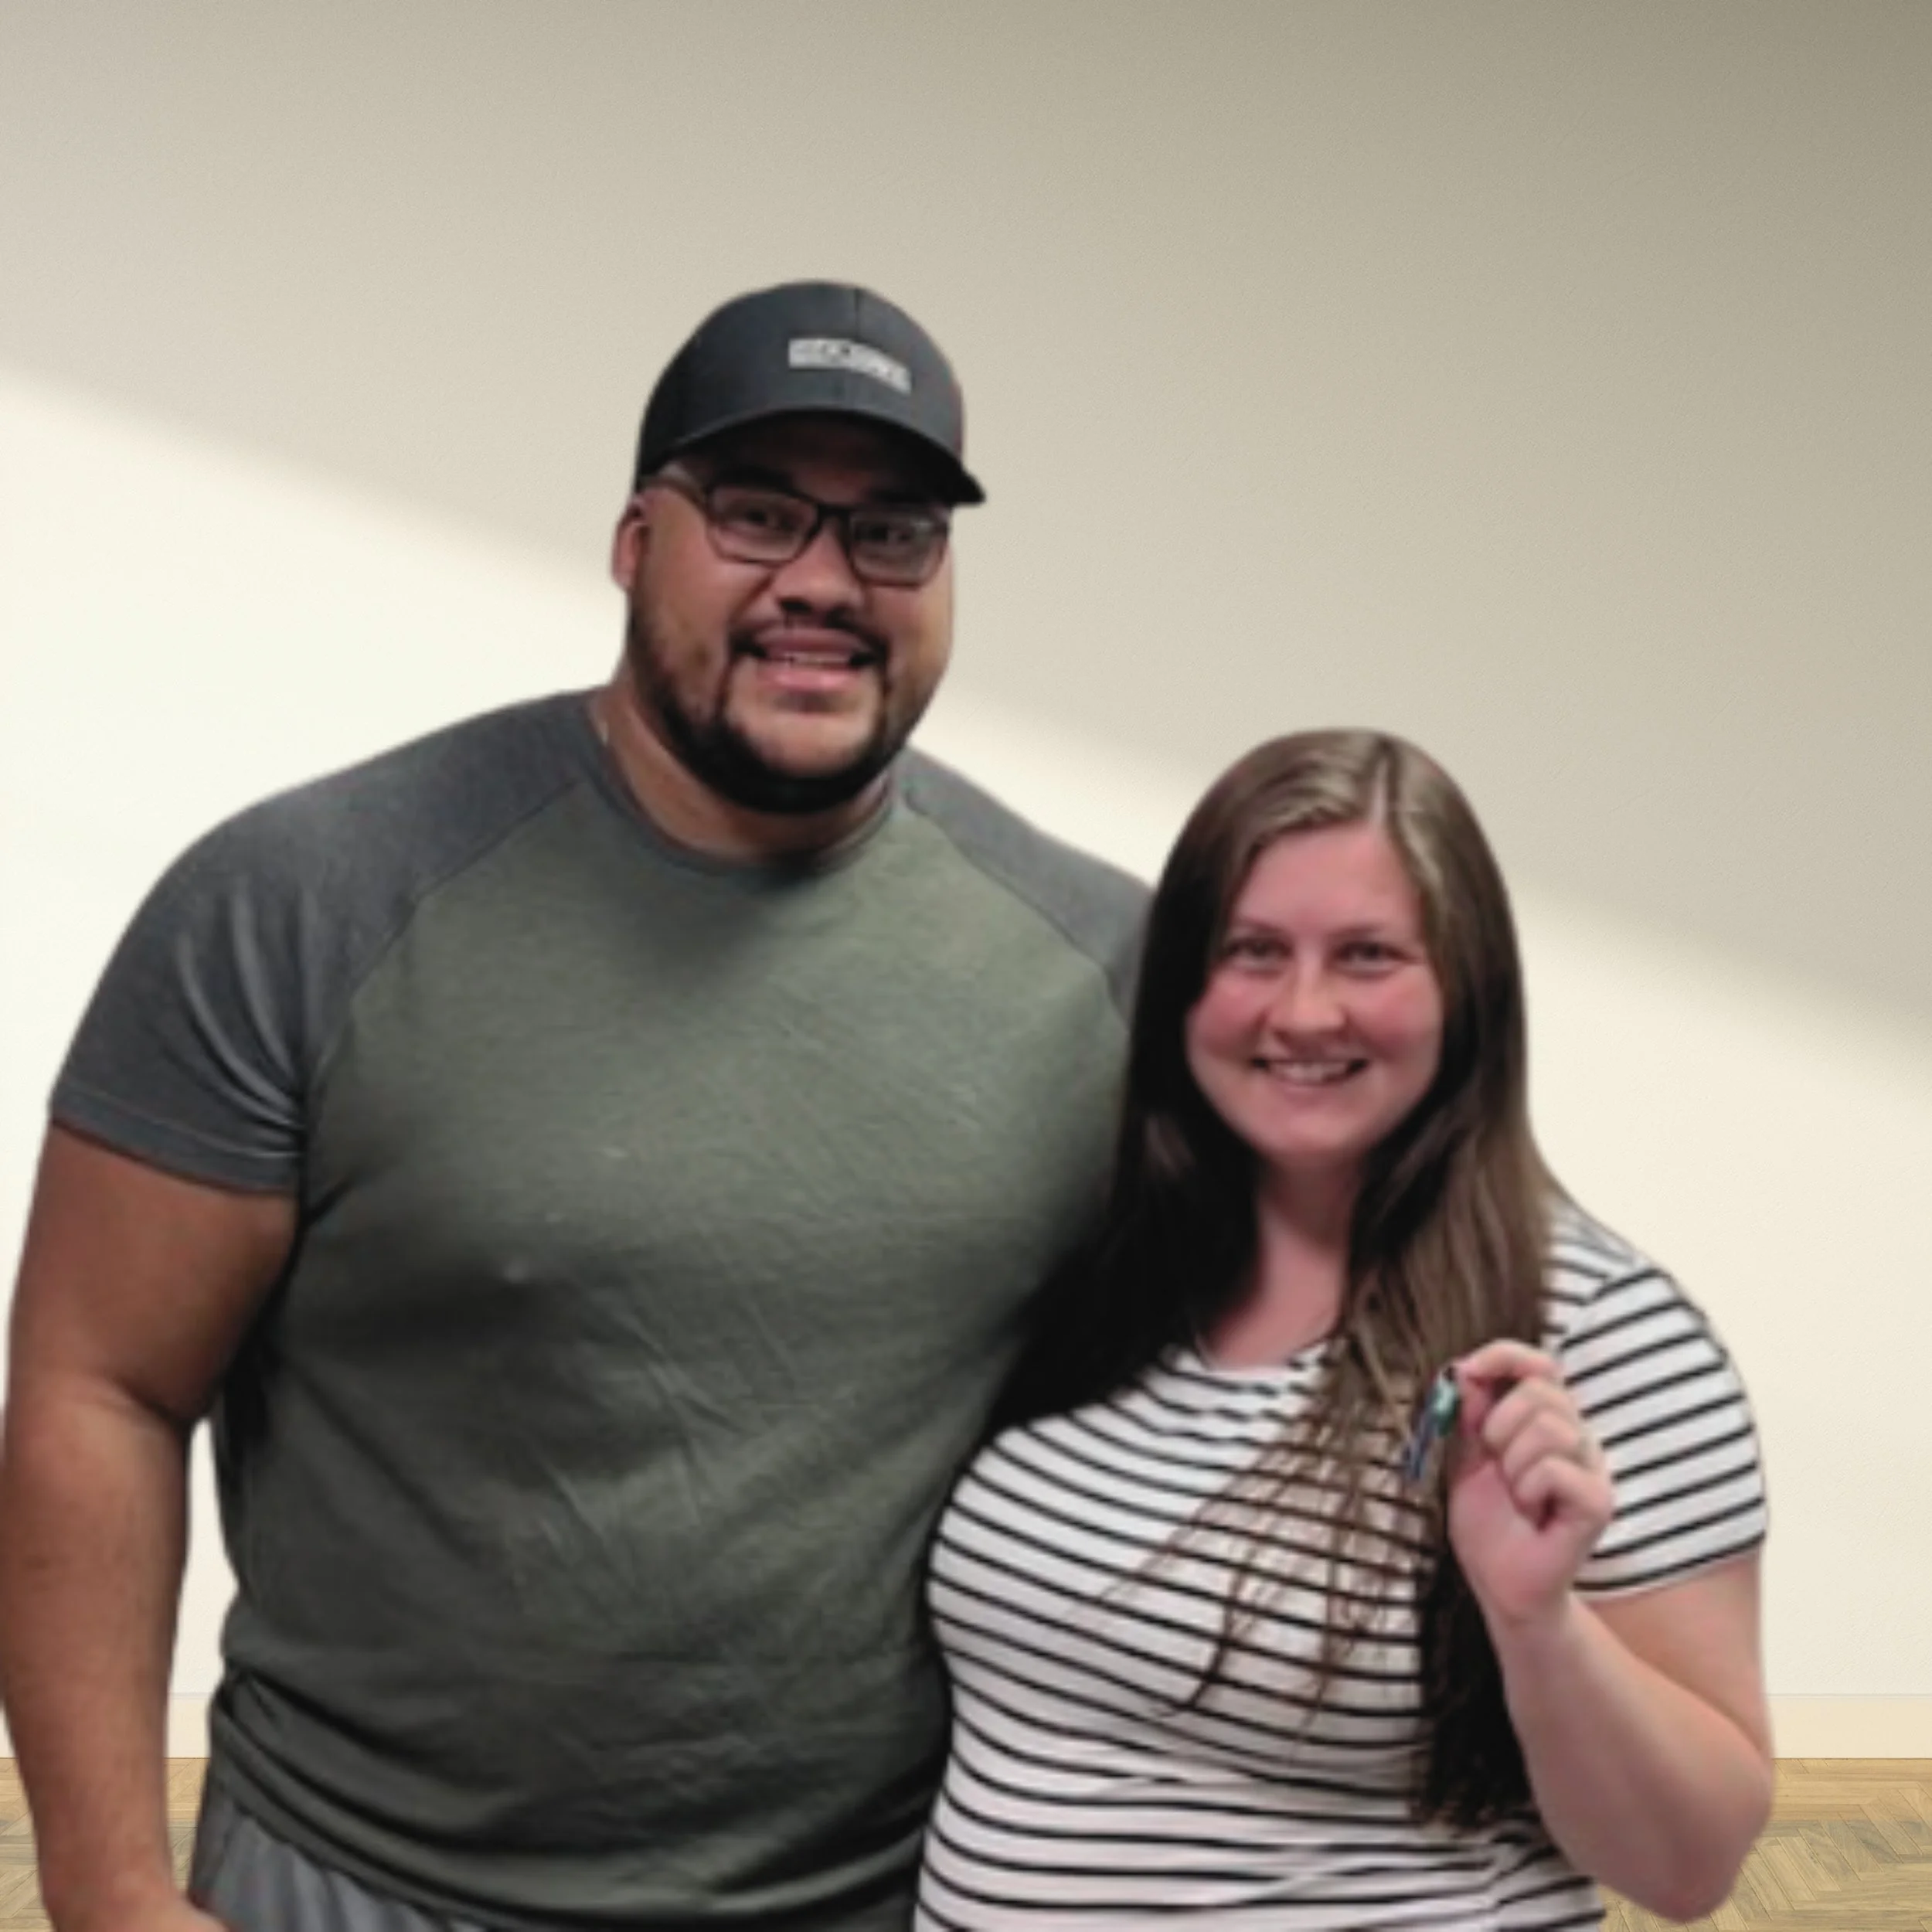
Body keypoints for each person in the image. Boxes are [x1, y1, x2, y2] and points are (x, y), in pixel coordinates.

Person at [0, 281, 1145, 1932]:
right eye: (755, 513)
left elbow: (1380, 1270)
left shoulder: (1104, 965)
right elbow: (97, 1388)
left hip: (879, 1900)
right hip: (350, 1884)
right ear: (631, 542)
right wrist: (110, 1888)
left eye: (890, 531)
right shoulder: (300, 901)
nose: (821, 580)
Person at [917, 730, 1772, 1930]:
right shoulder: (1125, 1275)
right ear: (1181, 986)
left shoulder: (1597, 1335)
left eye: (1367, 956)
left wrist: (1537, 1625)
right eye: (1253, 953)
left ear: (1463, 989)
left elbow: (1689, 1867)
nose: (1305, 1011)